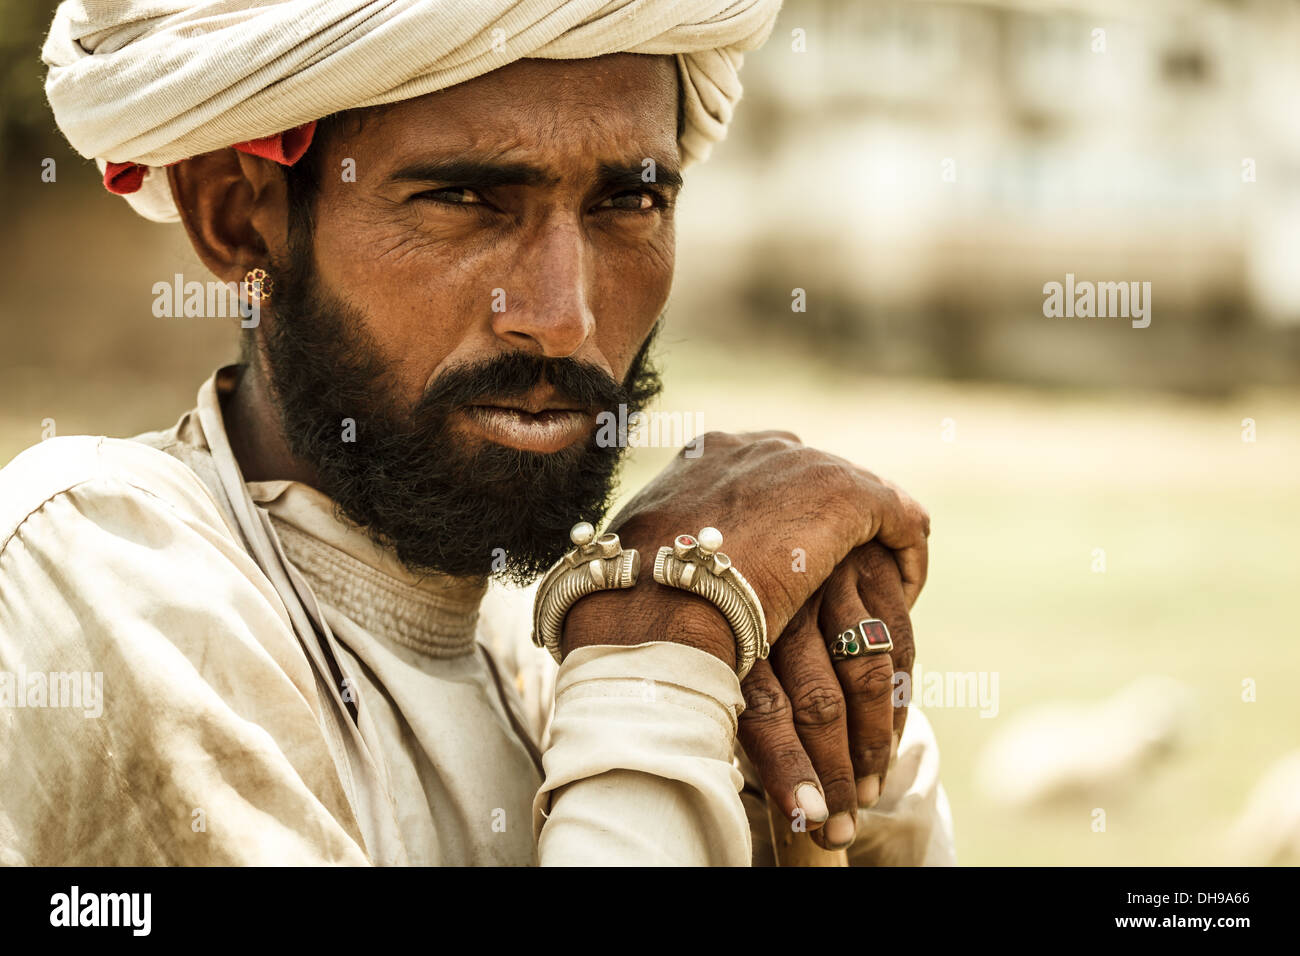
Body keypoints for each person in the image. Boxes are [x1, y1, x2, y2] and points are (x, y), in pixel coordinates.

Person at [0, 0, 953, 865]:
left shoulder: (534, 652)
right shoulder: (98, 567)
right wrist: (656, 658)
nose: (560, 315)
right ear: (238, 219)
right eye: (464, 200)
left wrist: (853, 753)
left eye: (628, 201)